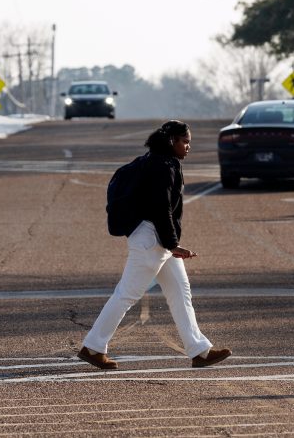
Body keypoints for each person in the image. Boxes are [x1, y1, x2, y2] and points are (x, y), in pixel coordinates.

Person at [78, 120, 231, 370]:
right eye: (184, 141)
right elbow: (161, 209)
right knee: (127, 294)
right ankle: (93, 347)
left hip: (154, 237)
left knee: (180, 292)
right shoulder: (163, 167)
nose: (188, 146)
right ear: (171, 140)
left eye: (189, 141)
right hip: (152, 239)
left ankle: (199, 350)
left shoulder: (154, 160)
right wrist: (173, 244)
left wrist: (171, 245)